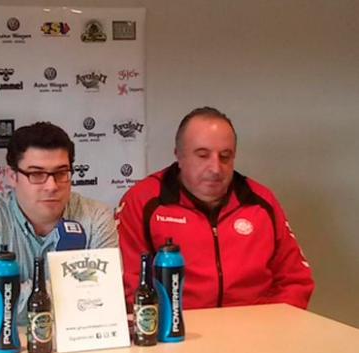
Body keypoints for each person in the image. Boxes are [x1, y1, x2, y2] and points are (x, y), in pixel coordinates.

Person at [117, 107, 314, 311]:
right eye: (202, 155)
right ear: (179, 155)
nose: (215, 168)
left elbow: (295, 280)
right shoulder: (143, 201)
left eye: (225, 156)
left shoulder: (261, 202)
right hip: (175, 330)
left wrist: (272, 325)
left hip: (256, 330)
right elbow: (129, 284)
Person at [0, 122, 118, 327]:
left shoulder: (96, 217)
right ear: (12, 176)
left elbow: (108, 295)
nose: (51, 186)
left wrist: (9, 296)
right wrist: (73, 290)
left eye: (61, 173)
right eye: (37, 174)